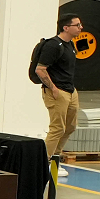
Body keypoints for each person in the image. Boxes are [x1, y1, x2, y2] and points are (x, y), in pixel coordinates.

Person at [31, 11, 82, 159]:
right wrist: (53, 88)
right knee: (57, 128)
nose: (81, 27)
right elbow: (40, 69)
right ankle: (44, 159)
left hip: (70, 90)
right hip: (58, 91)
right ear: (66, 28)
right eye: (77, 25)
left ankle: (55, 156)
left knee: (70, 127)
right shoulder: (53, 46)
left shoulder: (70, 44)